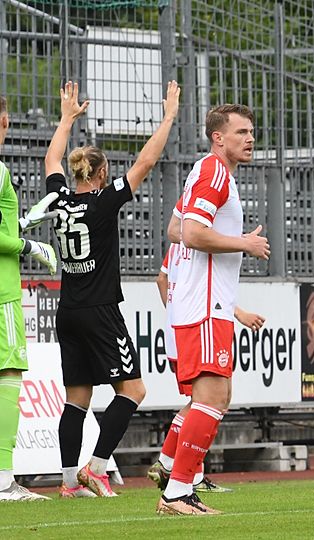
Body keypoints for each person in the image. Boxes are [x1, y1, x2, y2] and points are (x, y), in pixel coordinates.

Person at [46, 81, 179, 498]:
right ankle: (97, 468)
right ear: (102, 174)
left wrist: (66, 119)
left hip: (68, 310)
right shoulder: (103, 202)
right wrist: (169, 116)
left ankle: (70, 483)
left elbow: (50, 158)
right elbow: (146, 161)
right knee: (134, 390)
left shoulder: (58, 200)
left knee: (76, 399)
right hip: (101, 309)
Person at [158, 103, 270, 515]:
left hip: (205, 299)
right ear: (218, 138)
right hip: (205, 302)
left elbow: (174, 229)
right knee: (212, 397)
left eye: (251, 131)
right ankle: (177, 492)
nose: (250, 138)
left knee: (214, 396)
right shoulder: (215, 173)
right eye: (241, 132)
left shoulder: (205, 171)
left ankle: (175, 480)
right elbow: (190, 233)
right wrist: (244, 243)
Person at [148, 199, 263, 495]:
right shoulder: (197, 239)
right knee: (209, 400)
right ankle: (182, 474)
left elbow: (162, 279)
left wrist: (175, 314)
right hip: (197, 323)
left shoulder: (179, 240)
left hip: (182, 326)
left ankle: (175, 467)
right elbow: (203, 286)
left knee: (207, 399)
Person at [0, 94, 58, 502]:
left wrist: (23, 221)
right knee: (8, 377)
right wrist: (30, 246)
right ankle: (4, 480)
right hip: (2, 294)